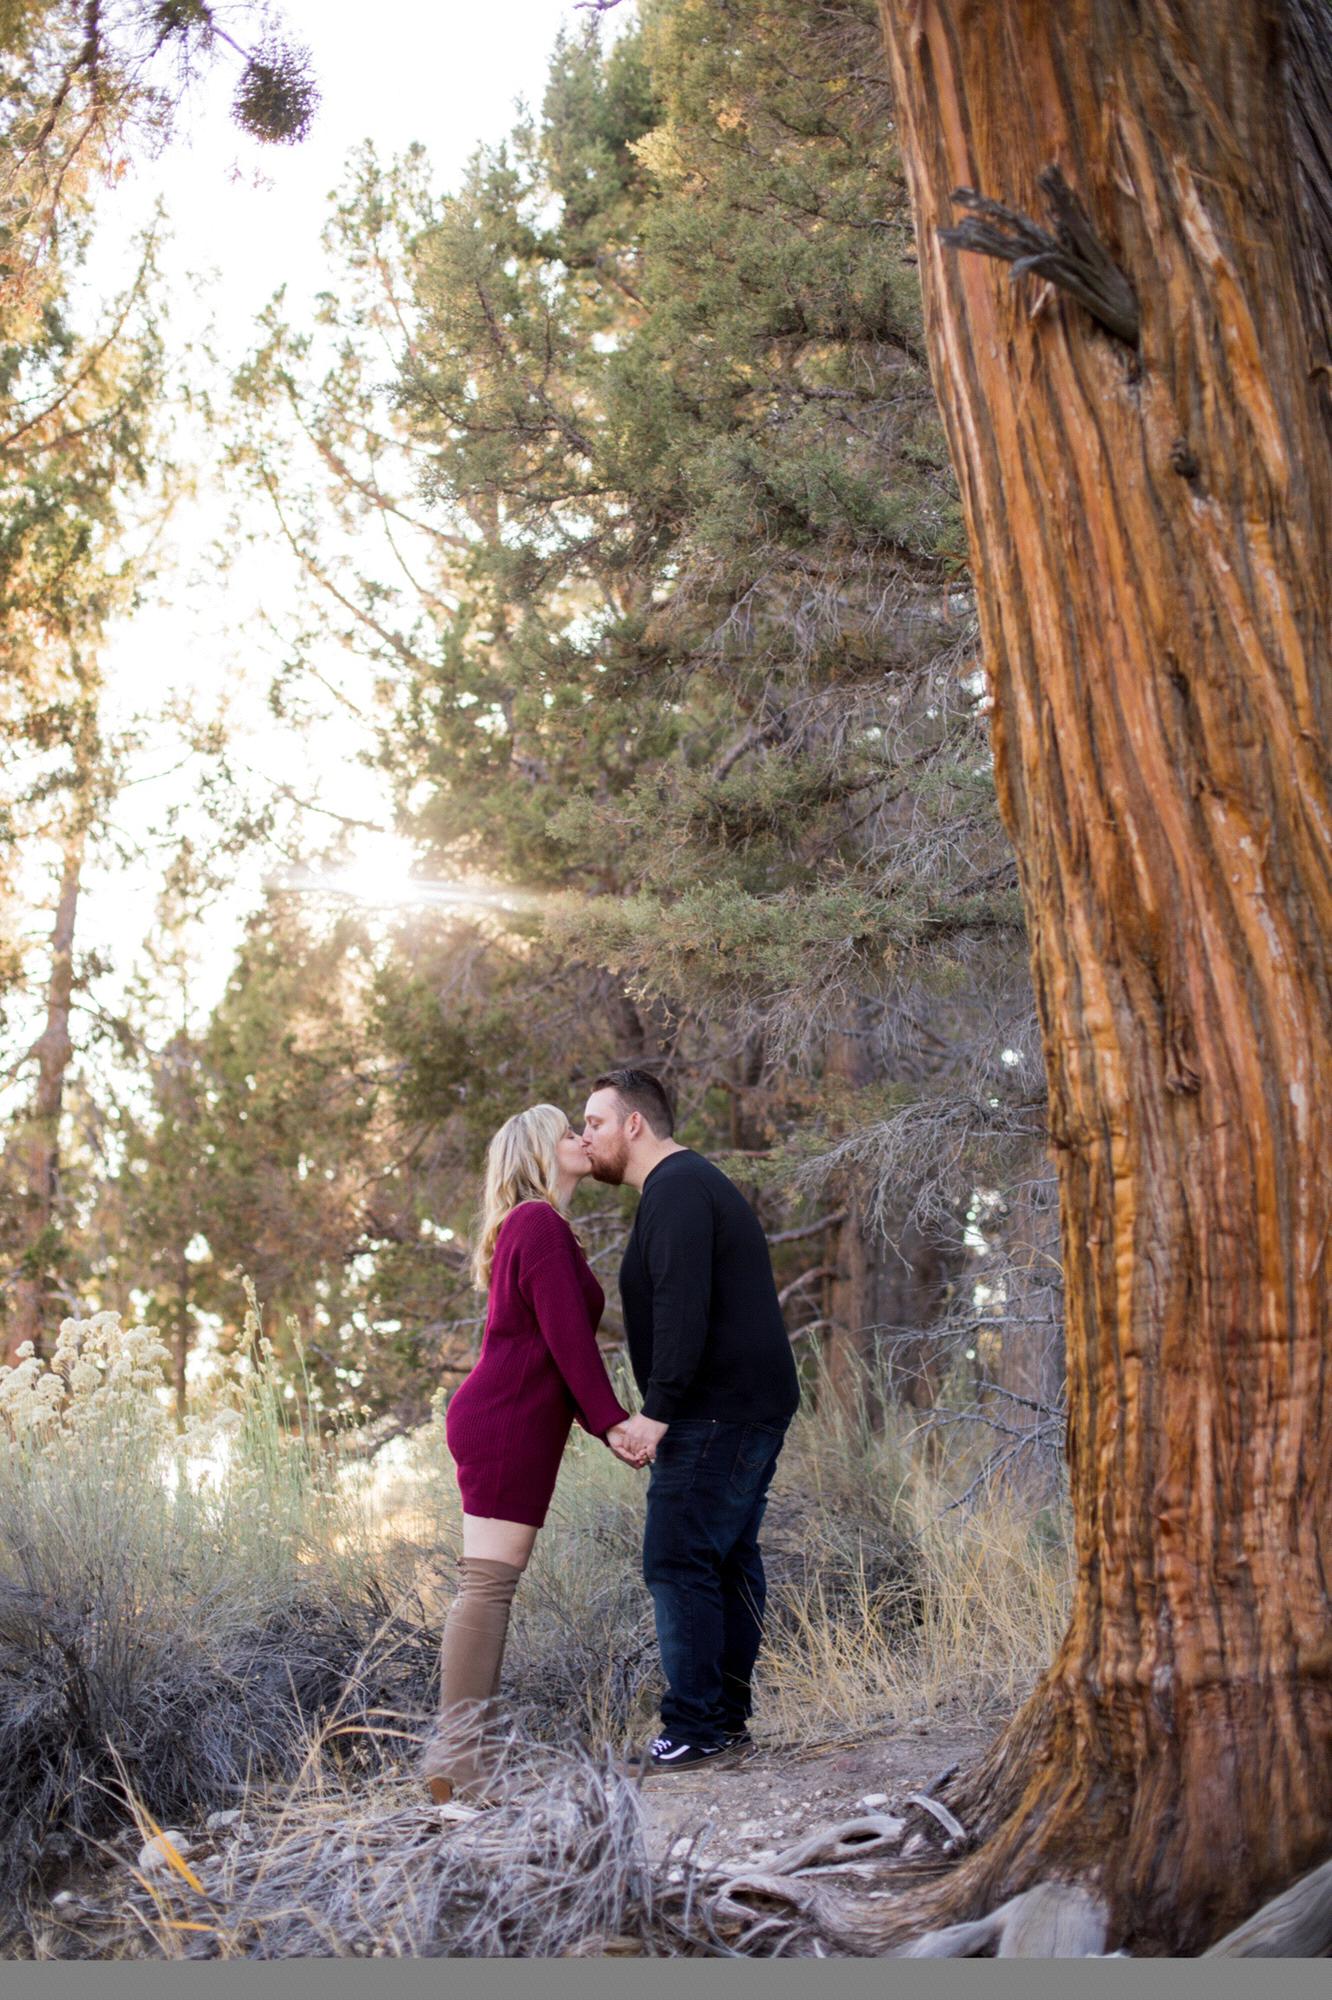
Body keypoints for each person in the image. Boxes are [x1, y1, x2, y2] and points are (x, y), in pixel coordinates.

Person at [423, 1103, 647, 1806]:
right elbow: (566, 1341)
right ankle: (459, 1761)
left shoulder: (538, 1225)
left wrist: (601, 1421)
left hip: (511, 1418)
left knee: (489, 1584)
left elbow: (556, 1345)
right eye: (568, 1131)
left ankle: (469, 1759)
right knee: (486, 1586)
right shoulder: (538, 1222)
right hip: (505, 1421)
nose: (582, 1138)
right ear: (539, 1151)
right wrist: (611, 1422)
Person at [582, 1068, 800, 1771]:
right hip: (740, 1406)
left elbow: (683, 1306)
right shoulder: (684, 1185)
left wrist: (658, 1412)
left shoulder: (677, 1188)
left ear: (635, 1124)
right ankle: (723, 1725)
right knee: (725, 1562)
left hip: (715, 1411)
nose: (585, 1138)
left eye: (595, 1123)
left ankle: (696, 1728)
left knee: (677, 1558)